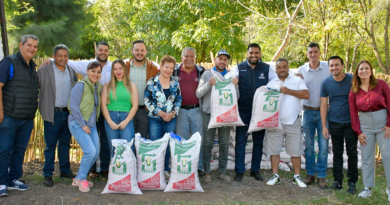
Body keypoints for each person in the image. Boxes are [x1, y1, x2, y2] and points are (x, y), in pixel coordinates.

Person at [0, 34, 39, 196]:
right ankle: (1, 182)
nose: (32, 49)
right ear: (21, 45)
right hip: (9, 116)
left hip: (26, 117)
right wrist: (0, 112)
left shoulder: (31, 66)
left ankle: (13, 179)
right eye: (29, 45)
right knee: (4, 149)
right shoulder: (9, 62)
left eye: (35, 46)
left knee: (19, 150)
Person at [234, 43, 277, 182]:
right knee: (240, 141)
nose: (254, 55)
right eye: (251, 53)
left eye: (256, 53)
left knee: (258, 142)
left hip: (260, 112)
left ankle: (255, 170)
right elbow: (229, 81)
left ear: (260, 54)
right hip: (243, 110)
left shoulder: (267, 68)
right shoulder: (239, 68)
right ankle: (239, 171)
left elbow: (277, 83)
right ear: (247, 53)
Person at [264, 58, 309, 188]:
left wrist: (289, 91)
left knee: (295, 150)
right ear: (276, 69)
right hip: (275, 122)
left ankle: (297, 176)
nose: (282, 69)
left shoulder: (297, 81)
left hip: (293, 121)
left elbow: (306, 95)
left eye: (284, 66)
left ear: (288, 67)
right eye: (279, 67)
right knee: (274, 150)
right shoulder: (271, 83)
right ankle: (275, 176)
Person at [349, 60, 390, 201]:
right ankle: (367, 188)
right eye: (361, 69)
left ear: (371, 71)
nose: (364, 71)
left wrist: (389, 124)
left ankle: (389, 188)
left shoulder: (381, 85)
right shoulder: (354, 90)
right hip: (365, 126)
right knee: (367, 157)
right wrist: (358, 131)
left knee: (388, 155)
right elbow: (353, 113)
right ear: (357, 72)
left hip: (383, 125)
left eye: (367, 68)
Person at [37, 44, 78, 187]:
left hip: (67, 113)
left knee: (65, 143)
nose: (63, 58)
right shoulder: (44, 71)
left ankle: (64, 170)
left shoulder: (71, 72)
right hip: (52, 113)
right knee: (50, 145)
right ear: (53, 57)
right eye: (60, 55)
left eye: (65, 56)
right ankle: (47, 173)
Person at [196, 50, 238, 184]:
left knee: (224, 144)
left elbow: (236, 98)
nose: (222, 61)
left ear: (227, 62)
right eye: (220, 58)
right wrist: (209, 84)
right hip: (209, 114)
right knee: (207, 143)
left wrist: (235, 86)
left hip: (225, 114)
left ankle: (222, 172)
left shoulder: (231, 76)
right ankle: (207, 172)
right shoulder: (207, 74)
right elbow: (198, 94)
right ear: (215, 60)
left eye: (225, 59)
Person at [320, 56, 357, 194]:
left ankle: (352, 182)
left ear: (342, 66)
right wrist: (324, 126)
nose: (334, 68)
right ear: (329, 68)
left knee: (352, 153)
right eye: (331, 66)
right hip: (334, 123)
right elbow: (323, 105)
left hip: (350, 123)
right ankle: (338, 181)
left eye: (337, 65)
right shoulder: (326, 83)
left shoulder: (352, 80)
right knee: (337, 153)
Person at [297, 43, 330, 189]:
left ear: (320, 53)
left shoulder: (328, 68)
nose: (313, 55)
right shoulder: (301, 70)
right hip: (308, 111)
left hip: (324, 113)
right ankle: (310, 173)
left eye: (316, 52)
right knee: (309, 145)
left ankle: (321, 175)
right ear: (307, 54)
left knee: (323, 145)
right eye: (310, 52)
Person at [144, 55, 182, 177]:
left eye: (171, 68)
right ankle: (155, 170)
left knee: (167, 145)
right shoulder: (151, 82)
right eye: (166, 67)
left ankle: (165, 169)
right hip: (154, 119)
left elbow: (179, 100)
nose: (168, 70)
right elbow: (146, 100)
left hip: (170, 120)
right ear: (160, 67)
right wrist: (159, 112)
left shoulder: (175, 83)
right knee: (156, 143)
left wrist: (172, 114)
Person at [68, 61, 102, 192]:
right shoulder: (80, 85)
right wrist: (83, 125)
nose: (95, 74)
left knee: (95, 152)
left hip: (91, 125)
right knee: (90, 151)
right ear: (87, 72)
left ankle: (78, 178)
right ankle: (82, 179)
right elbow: (74, 107)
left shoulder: (96, 87)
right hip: (78, 123)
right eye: (93, 71)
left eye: (98, 72)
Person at [173, 47, 205, 175]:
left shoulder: (201, 71)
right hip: (180, 111)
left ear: (195, 58)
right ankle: (182, 167)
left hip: (197, 110)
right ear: (181, 57)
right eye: (186, 56)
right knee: (181, 140)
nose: (189, 59)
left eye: (192, 56)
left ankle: (199, 167)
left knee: (199, 139)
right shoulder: (175, 71)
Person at [101, 59, 138, 154]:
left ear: (124, 69)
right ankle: (115, 169)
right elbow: (103, 105)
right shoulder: (107, 85)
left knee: (129, 148)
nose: (118, 71)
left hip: (127, 117)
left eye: (120, 68)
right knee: (114, 149)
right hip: (111, 117)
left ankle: (129, 169)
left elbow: (135, 106)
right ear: (112, 71)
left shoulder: (131, 86)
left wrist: (126, 121)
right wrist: (110, 121)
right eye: (115, 69)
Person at [125, 40, 159, 139]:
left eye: (142, 50)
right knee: (128, 139)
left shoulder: (153, 68)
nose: (139, 53)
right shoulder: (125, 67)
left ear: (146, 51)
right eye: (137, 50)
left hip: (144, 110)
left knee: (142, 139)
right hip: (127, 108)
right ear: (132, 51)